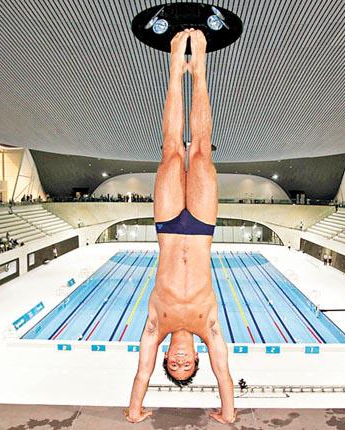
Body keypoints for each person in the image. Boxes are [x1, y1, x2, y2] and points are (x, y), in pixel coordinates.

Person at [125, 30, 234, 425]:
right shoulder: (210, 328)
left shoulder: (156, 327)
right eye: (188, 366)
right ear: (197, 358)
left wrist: (135, 411)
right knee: (201, 150)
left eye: (175, 365)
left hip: (169, 227)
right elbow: (224, 375)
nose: (182, 361)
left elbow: (142, 374)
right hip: (202, 228)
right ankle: (199, 68)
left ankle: (175, 66)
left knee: (172, 149)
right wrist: (227, 414)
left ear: (167, 357)